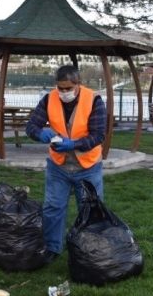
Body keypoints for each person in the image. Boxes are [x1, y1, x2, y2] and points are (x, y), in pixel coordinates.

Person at [25, 65, 107, 265]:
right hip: (58, 165)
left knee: (90, 209)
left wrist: (75, 144)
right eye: (60, 88)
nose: (63, 92)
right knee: (53, 207)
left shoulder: (94, 100)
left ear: (78, 84)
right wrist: (39, 133)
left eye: (68, 88)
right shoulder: (48, 99)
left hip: (87, 166)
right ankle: (52, 249)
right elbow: (31, 126)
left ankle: (91, 250)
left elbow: (98, 135)